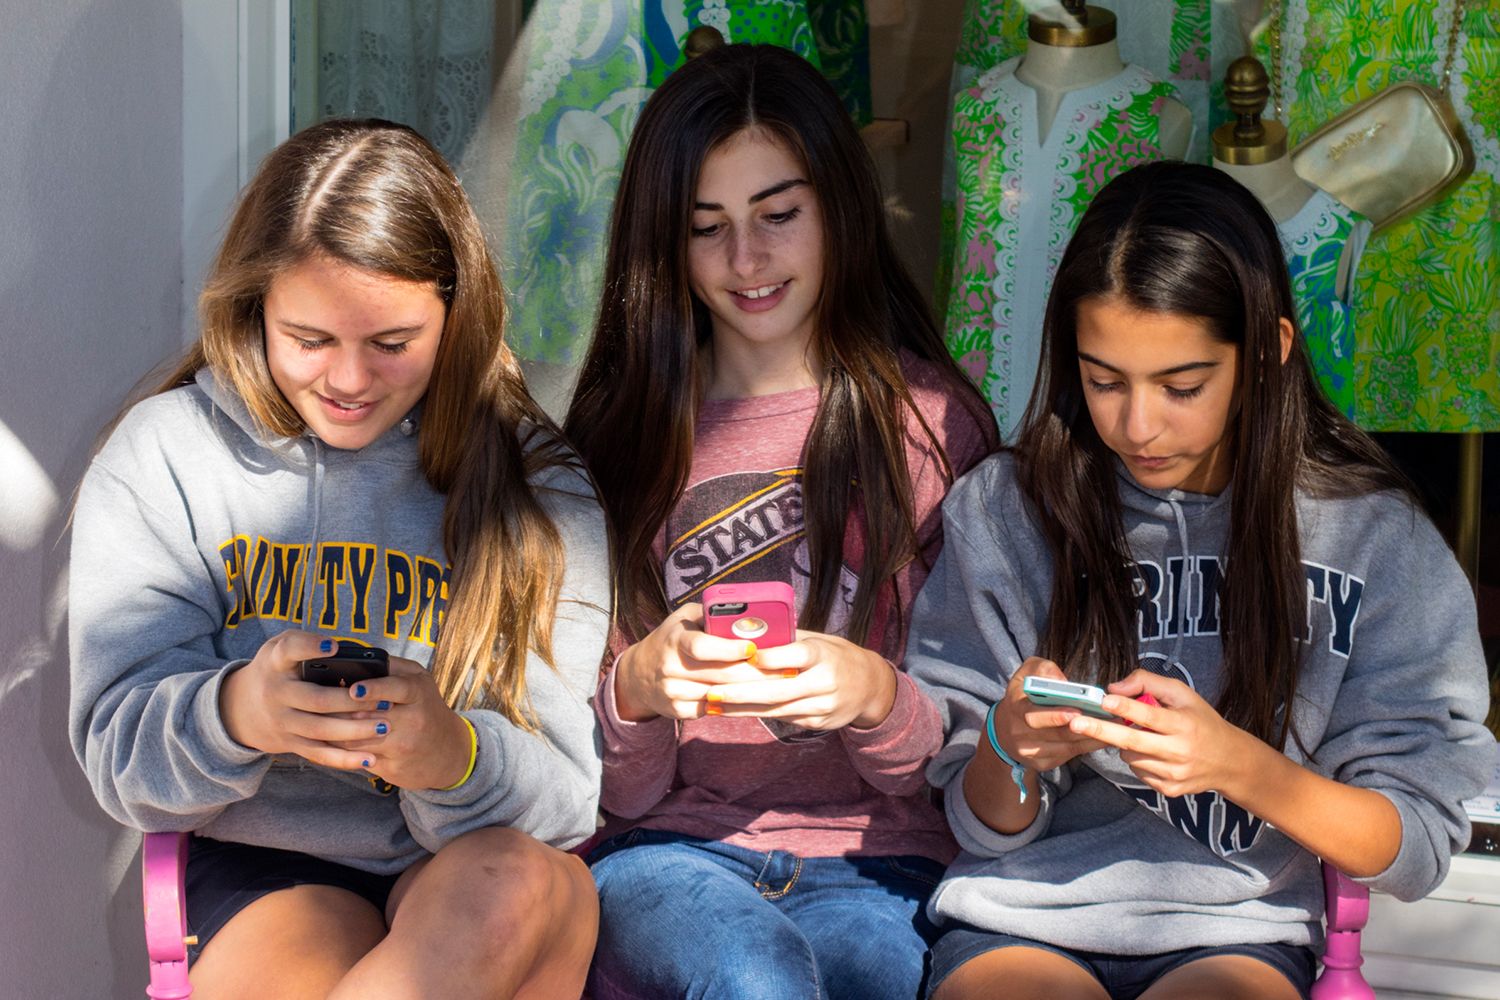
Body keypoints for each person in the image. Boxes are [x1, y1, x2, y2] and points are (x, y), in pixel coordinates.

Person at [905, 161, 1496, 1000]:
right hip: (1021, 918)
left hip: (1239, 933)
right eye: (1102, 379)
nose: (1136, 425)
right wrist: (1010, 744)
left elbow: (1410, 846)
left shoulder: (1374, 536)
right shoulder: (1008, 512)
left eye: (1182, 385)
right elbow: (979, 822)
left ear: (1268, 354)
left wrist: (1239, 767)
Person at [68, 119, 609, 1000]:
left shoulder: (539, 483)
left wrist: (452, 755)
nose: (349, 380)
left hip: (471, 865)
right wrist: (237, 710)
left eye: (392, 343)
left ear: (458, 314)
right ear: (253, 310)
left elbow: (565, 797)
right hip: (261, 865)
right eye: (309, 339)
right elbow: (119, 759)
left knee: (536, 885)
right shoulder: (166, 454)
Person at [563, 41, 999, 1000]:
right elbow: (616, 793)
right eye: (706, 227)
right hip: (668, 855)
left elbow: (965, 766)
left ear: (841, 209)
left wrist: (877, 696)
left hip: (886, 860)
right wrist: (636, 688)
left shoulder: (931, 427)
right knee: (756, 976)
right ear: (663, 242)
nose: (746, 260)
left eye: (778, 216)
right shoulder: (619, 438)